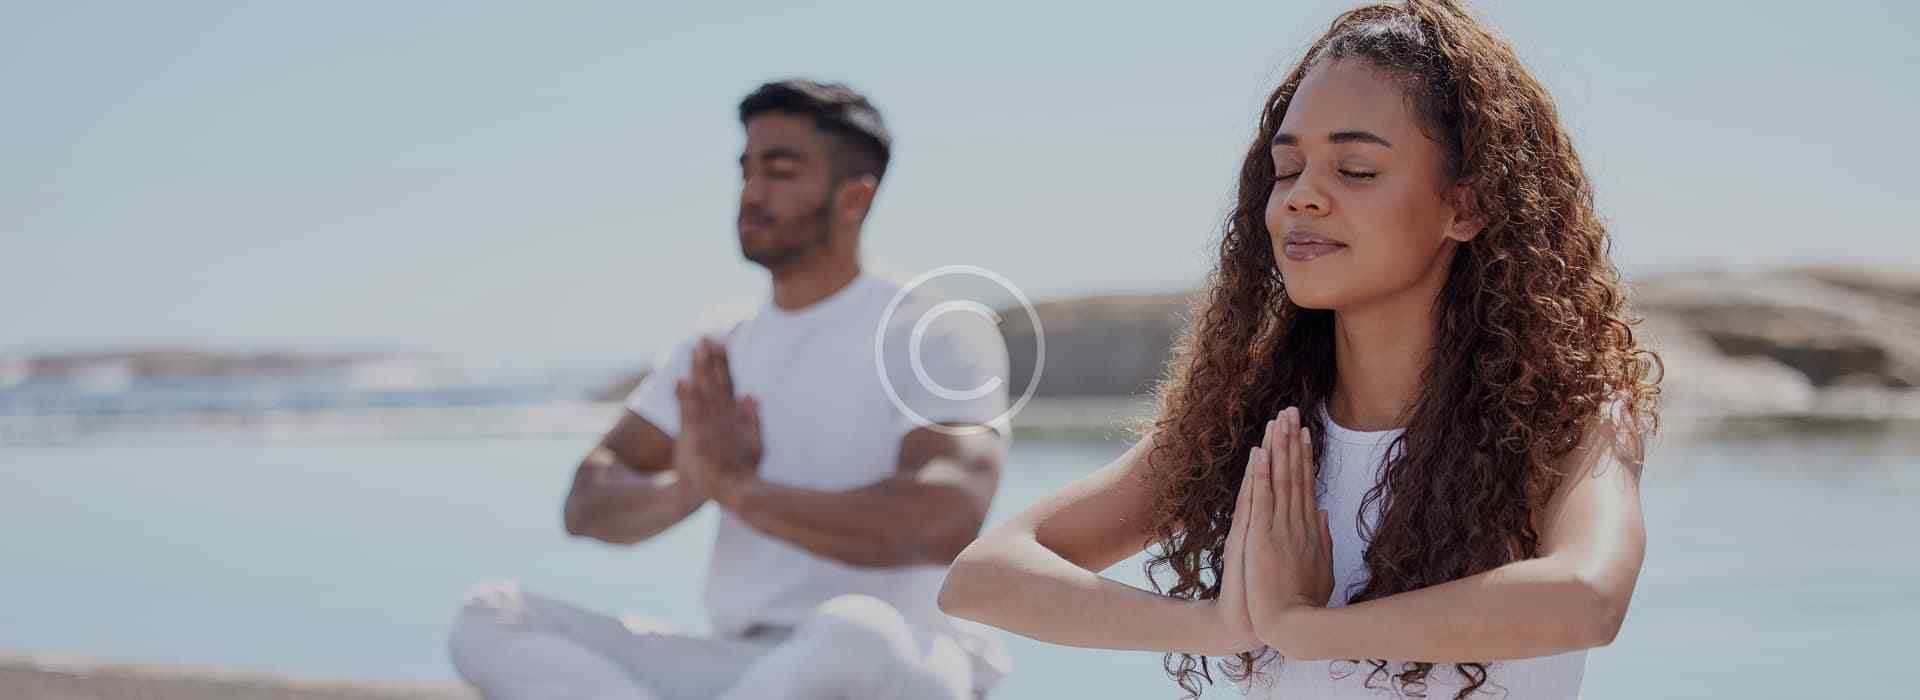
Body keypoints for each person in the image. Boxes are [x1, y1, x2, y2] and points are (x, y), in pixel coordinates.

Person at [938, 2, 1661, 698]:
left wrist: (1310, 630)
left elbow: (1589, 597)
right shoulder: (1254, 420)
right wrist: (1220, 624)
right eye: (1287, 170)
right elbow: (983, 576)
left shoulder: (1564, 419)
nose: (1300, 199)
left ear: (1465, 205)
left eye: (1356, 170)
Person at [449, 79, 1014, 700]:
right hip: (743, 665)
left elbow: (943, 517)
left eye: (780, 172)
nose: (751, 193)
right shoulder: (719, 344)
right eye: (746, 169)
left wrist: (740, 489)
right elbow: (586, 502)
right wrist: (690, 484)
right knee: (491, 615)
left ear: (854, 197)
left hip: (895, 660)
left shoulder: (935, 327)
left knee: (855, 629)